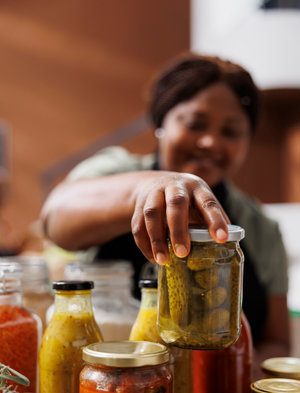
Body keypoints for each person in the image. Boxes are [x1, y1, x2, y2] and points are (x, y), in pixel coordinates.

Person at [41, 52, 290, 366]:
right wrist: (147, 189)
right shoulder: (115, 172)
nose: (211, 142)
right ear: (161, 124)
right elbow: (56, 218)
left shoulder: (261, 229)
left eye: (231, 132)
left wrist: (235, 373)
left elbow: (277, 341)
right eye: (195, 124)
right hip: (112, 381)